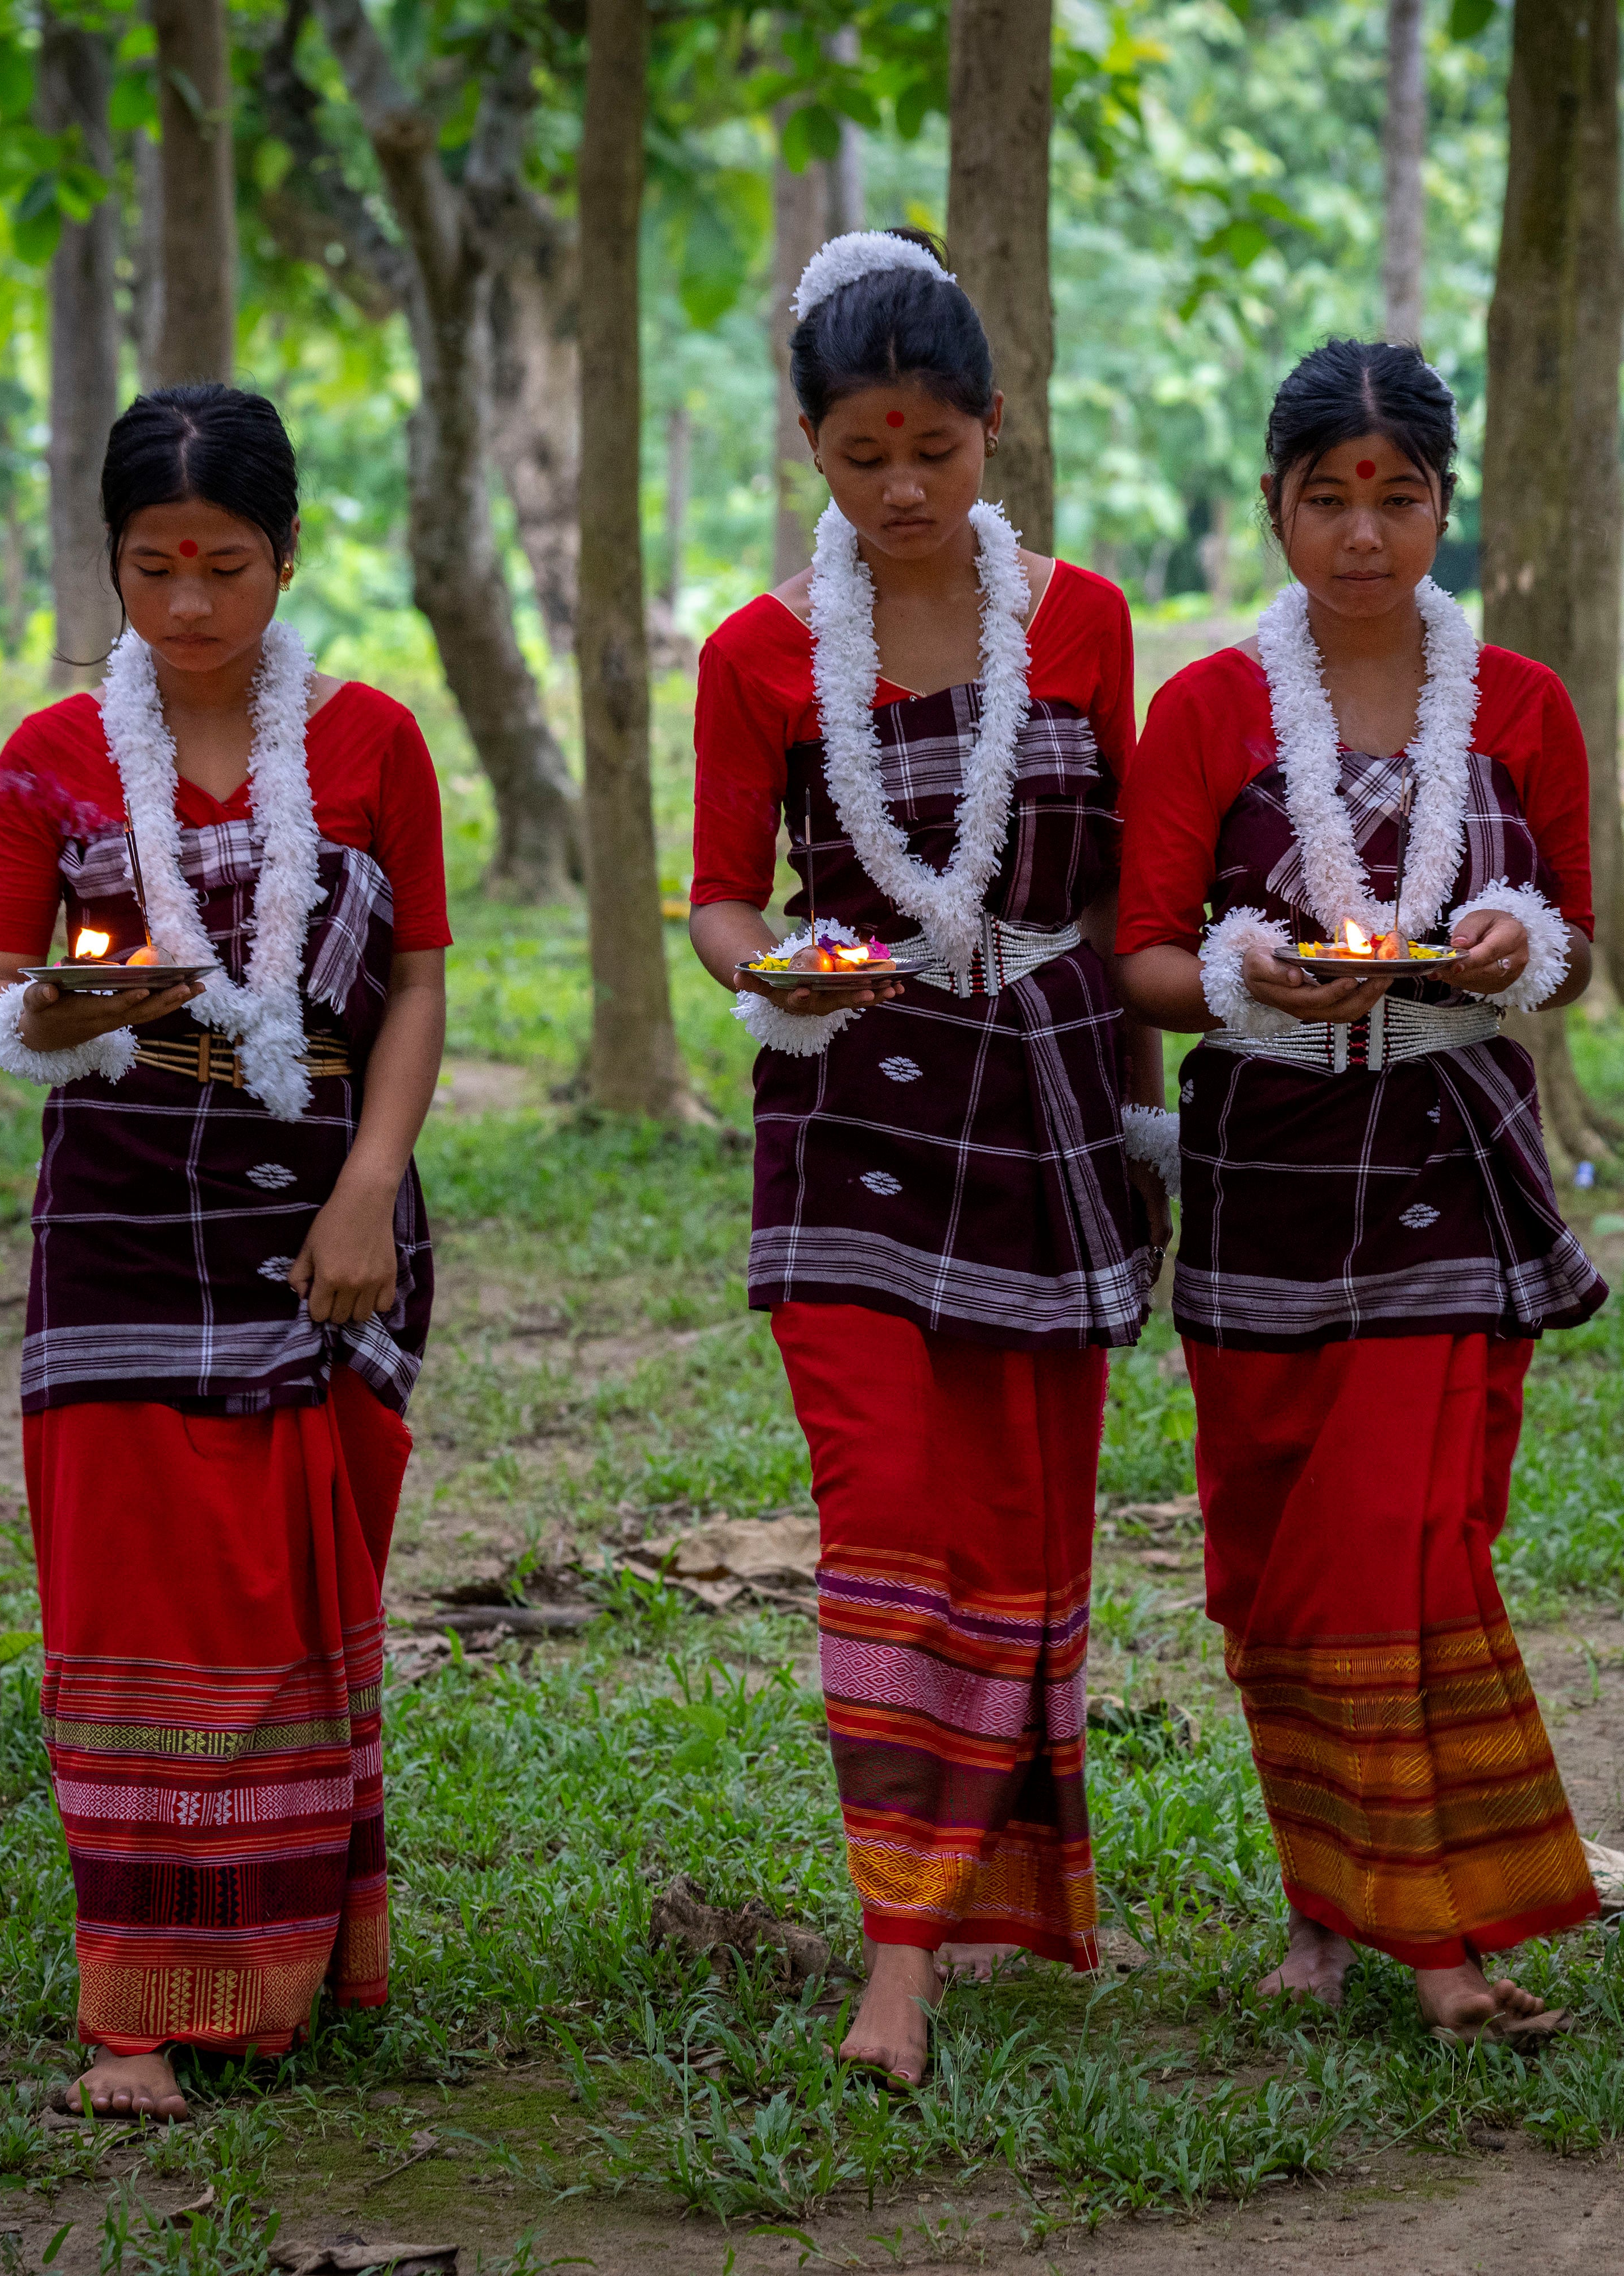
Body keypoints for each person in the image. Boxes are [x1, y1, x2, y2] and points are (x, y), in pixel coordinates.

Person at [685, 228, 1160, 2088]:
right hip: (847, 1114)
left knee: (1026, 1526)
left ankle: (1003, 1904)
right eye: (863, 454)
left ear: (990, 433)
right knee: (889, 1519)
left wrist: (1142, 1114)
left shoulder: (1092, 623)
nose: (902, 489)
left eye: (936, 452)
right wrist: (778, 967)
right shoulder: (758, 657)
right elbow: (724, 901)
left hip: (1045, 1111)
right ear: (810, 446)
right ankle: (899, 1953)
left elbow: (1123, 887)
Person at [0, 384, 450, 2120]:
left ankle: (304, 1957)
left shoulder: (377, 742)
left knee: (290, 1610)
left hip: (322, 1230)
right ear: (110, 564)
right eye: (153, 567)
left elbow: (415, 989)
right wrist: (50, 1008)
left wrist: (366, 1191)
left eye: (224, 567)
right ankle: (135, 2020)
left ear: (286, 560)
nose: (187, 605)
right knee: (132, 1612)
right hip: (113, 1236)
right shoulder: (48, 758)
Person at [1115, 339, 1609, 2042]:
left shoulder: (1525, 704)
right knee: (1273, 1561)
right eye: (1328, 496)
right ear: (1274, 506)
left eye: (1398, 497)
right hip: (1263, 1175)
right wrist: (1255, 977)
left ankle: (1444, 1940)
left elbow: (1580, 952)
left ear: (1444, 507)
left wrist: (1509, 942)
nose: (1364, 533)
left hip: (1450, 1169)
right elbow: (1145, 964)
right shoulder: (1206, 711)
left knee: (1405, 1547)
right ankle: (1329, 1907)